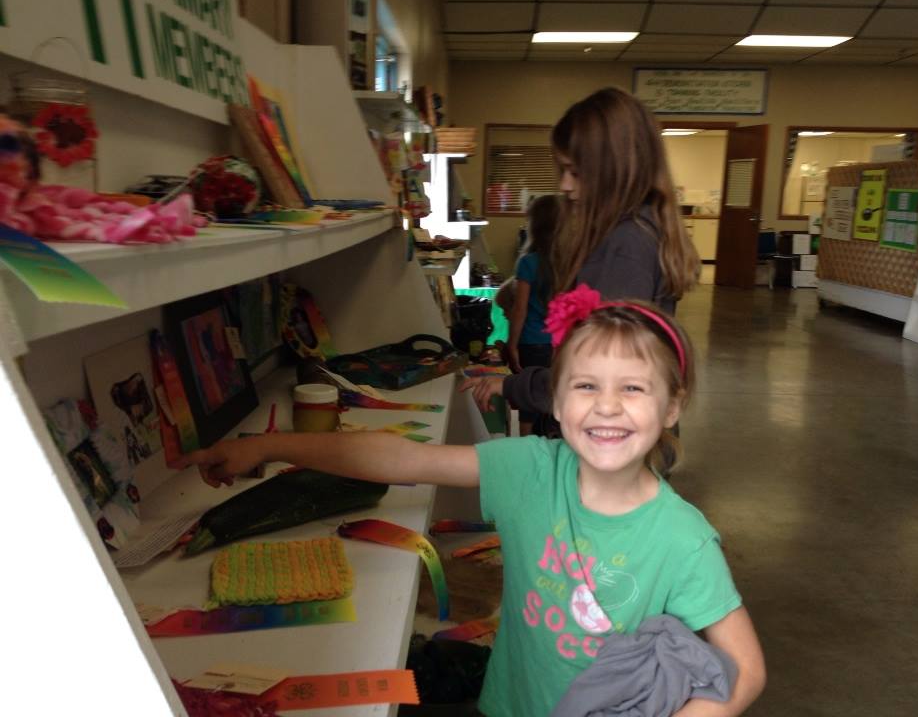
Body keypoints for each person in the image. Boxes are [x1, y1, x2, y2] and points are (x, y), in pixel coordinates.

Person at [178, 285, 765, 717]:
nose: (606, 407)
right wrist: (268, 446)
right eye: (586, 385)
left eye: (633, 388)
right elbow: (397, 459)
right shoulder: (532, 470)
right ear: (556, 402)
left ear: (671, 408)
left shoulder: (683, 540)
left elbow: (746, 671)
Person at [462, 87, 701, 419]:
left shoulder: (623, 247)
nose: (565, 186)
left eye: (575, 172)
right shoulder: (641, 231)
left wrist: (513, 385)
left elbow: (599, 376)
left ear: (614, 172)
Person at [506, 194, 560, 435]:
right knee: (554, 396)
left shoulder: (528, 262)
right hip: (560, 341)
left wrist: (512, 344)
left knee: (527, 397)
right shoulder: (570, 261)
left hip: (531, 341)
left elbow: (520, 309)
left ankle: (525, 449)